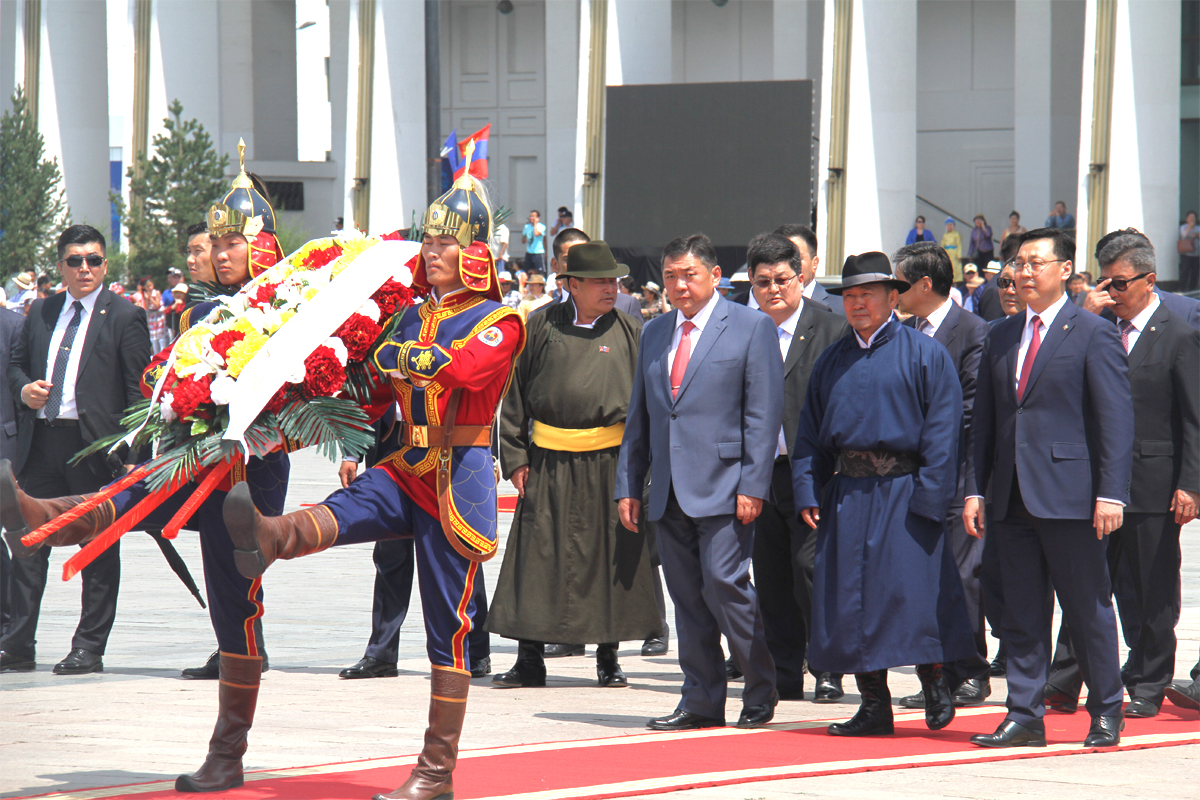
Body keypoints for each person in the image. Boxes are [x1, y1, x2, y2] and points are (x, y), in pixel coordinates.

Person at [219, 166, 524, 800]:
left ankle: (436, 771)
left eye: (446, 243)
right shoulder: (410, 317)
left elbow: (464, 369)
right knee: (342, 508)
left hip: (456, 480)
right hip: (405, 463)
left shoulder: (505, 318)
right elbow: (374, 387)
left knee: (449, 625)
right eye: (429, 241)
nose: (432, 252)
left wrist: (398, 357)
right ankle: (269, 534)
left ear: (473, 253)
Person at [1, 153, 290, 788]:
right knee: (137, 509)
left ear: (261, 247)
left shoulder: (289, 312)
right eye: (215, 242)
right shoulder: (194, 311)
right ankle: (46, 515)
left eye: (233, 241)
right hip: (193, 455)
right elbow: (168, 381)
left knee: (236, 597)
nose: (219, 252)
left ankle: (227, 751)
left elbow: (301, 396)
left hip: (251, 464)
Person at [792, 251, 973, 737]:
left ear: (893, 298)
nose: (856, 304)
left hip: (905, 490)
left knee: (911, 594)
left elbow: (943, 432)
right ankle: (874, 704)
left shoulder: (924, 353)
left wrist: (931, 499)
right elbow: (808, 433)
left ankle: (934, 680)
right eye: (849, 296)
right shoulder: (831, 359)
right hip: (847, 493)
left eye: (866, 294)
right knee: (851, 600)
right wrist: (807, 488)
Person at [963, 227, 1131, 750]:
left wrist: (1112, 492)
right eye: (1019, 262)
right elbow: (984, 424)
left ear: (1065, 269)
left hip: (1072, 496)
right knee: (1021, 612)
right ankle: (1024, 713)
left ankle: (1106, 710)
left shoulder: (1092, 331)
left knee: (1087, 608)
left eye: (1037, 262)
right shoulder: (1001, 334)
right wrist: (975, 490)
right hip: (1010, 496)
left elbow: (1115, 419)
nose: (1024, 271)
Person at [616, 233, 783, 732]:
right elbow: (639, 417)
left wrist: (753, 484)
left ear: (715, 275)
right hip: (668, 490)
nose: (679, 285)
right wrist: (629, 483)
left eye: (689, 274)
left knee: (726, 587)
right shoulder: (655, 331)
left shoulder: (751, 327)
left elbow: (763, 414)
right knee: (686, 598)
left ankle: (760, 687)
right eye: (670, 276)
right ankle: (702, 700)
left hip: (727, 486)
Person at [489, 241, 659, 688]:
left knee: (611, 556)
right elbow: (514, 396)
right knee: (537, 556)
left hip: (611, 461)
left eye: (614, 280)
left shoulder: (630, 329)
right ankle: (528, 658)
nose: (611, 288)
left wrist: (641, 467)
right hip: (548, 460)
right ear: (573, 285)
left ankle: (609, 656)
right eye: (601, 281)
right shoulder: (540, 325)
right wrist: (515, 457)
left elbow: (648, 405)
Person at [1043, 233, 1199, 719]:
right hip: (1098, 484)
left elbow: (1194, 416)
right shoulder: (1096, 326)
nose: (1112, 291)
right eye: (1105, 280)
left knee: (1152, 588)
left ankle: (1149, 681)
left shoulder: (1178, 333)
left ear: (1150, 281)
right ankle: (1065, 680)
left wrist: (1191, 482)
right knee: (1085, 583)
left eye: (1121, 283)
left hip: (1155, 481)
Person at [1, 225, 152, 675]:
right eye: (75, 261)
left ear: (105, 265)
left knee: (99, 549)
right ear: (60, 267)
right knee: (28, 545)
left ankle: (89, 647)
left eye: (93, 260)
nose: (84, 268)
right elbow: (15, 366)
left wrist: (134, 457)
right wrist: (25, 388)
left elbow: (139, 393)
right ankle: (17, 644)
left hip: (96, 450)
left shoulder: (125, 316)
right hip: (42, 444)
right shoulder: (42, 311)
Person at [741, 233, 849, 703]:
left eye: (782, 279)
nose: (773, 290)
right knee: (770, 576)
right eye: (762, 281)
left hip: (814, 473)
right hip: (757, 475)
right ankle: (785, 669)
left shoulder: (831, 329)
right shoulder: (742, 328)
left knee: (812, 571)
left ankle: (827, 667)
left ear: (801, 277)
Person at [891, 242, 993, 710]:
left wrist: (973, 486)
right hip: (911, 474)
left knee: (962, 574)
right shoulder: (904, 331)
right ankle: (937, 673)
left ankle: (970, 670)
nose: (893, 291)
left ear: (924, 284)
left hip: (957, 472)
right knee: (923, 577)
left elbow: (972, 414)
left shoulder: (973, 332)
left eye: (899, 282)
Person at [336, 414, 492, 682]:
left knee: (458, 549)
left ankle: (475, 651)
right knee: (390, 553)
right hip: (392, 439)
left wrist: (492, 456)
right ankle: (381, 654)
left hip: (446, 441)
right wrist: (352, 452)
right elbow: (369, 390)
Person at [774, 224, 845, 318]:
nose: (788, 266)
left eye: (796, 258)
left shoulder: (841, 307)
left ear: (814, 263)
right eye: (780, 258)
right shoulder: (759, 306)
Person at [521, 210, 547, 276]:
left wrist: (535, 224)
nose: (531, 218)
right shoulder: (527, 227)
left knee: (540, 272)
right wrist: (527, 238)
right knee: (528, 271)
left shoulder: (542, 226)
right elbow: (523, 240)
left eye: (533, 216)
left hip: (538, 252)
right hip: (529, 252)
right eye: (530, 216)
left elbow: (536, 233)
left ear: (538, 218)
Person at [1179, 211, 1199, 293]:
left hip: (1197, 253)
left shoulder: (1198, 228)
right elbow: (1184, 235)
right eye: (1190, 217)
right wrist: (1189, 226)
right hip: (1186, 254)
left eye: (1193, 217)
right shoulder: (1183, 227)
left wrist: (1197, 234)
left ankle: (1192, 288)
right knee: (1185, 271)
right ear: (1187, 219)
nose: (1192, 219)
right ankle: (1182, 288)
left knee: (1195, 272)